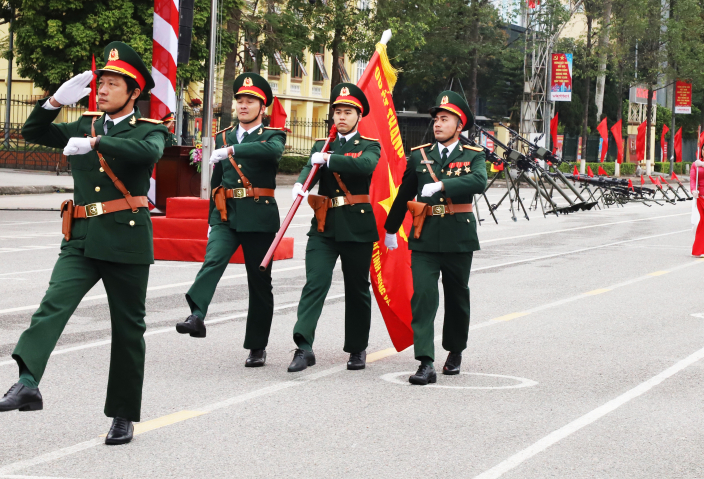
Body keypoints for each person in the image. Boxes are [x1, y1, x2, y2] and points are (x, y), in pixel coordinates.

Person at [0, 43, 167, 445]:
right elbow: (32, 132)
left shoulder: (149, 129)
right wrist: (53, 102)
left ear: (134, 92)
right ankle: (28, 382)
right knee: (53, 305)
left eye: (112, 84)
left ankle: (122, 414)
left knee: (127, 329)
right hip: (81, 238)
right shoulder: (83, 125)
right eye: (99, 83)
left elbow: (148, 153)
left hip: (127, 239)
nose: (101, 90)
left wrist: (98, 144)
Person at [175, 73, 285, 368]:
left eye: (251, 101)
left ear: (263, 107)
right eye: (240, 100)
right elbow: (216, 183)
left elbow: (272, 153)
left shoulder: (273, 135)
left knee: (259, 283)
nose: (244, 105)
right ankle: (196, 315)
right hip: (227, 214)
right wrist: (212, 218)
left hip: (260, 217)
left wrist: (233, 150)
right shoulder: (223, 135)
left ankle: (257, 346)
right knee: (213, 259)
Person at [384, 91, 487, 385]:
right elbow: (404, 193)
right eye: (437, 119)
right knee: (424, 297)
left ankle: (454, 351)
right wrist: (391, 229)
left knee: (457, 297)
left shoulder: (473, 155)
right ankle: (425, 362)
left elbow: (479, 182)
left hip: (458, 235)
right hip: (425, 236)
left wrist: (443, 184)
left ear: (460, 125)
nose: (438, 124)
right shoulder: (419, 155)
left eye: (445, 119)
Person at [286, 83, 381, 373]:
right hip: (324, 227)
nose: (341, 117)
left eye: (347, 112)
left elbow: (364, 167)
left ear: (358, 115)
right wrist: (300, 184)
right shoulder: (320, 145)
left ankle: (357, 348)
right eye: (337, 112)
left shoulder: (369, 145)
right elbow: (309, 169)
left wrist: (329, 159)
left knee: (357, 289)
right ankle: (303, 347)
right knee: (315, 283)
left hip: (357, 226)